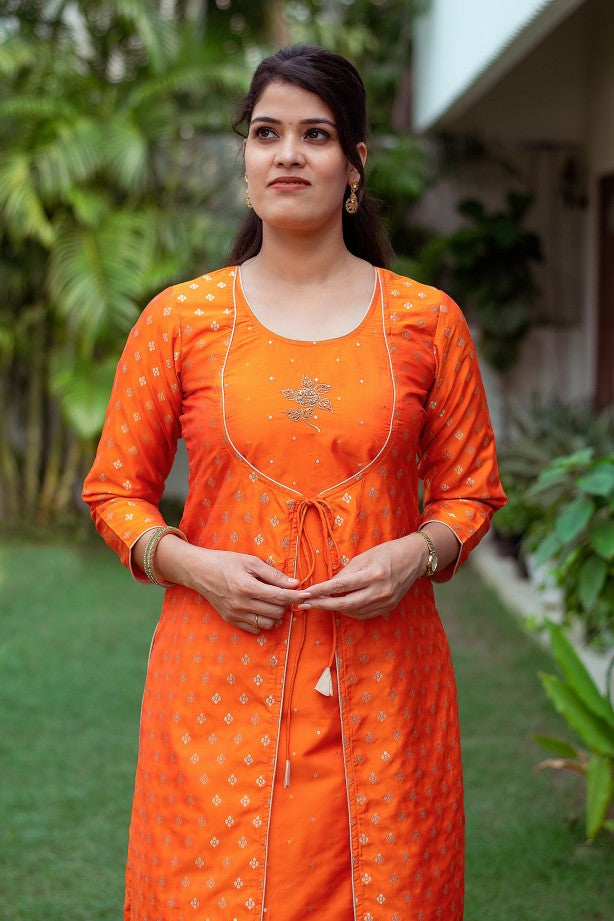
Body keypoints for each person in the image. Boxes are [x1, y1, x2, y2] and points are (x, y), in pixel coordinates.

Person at [83, 44, 506, 921]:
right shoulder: (182, 320)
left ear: (354, 164)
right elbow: (115, 490)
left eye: (315, 135)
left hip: (388, 685)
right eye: (267, 133)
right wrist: (193, 565)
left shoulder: (427, 321)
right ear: (244, 162)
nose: (288, 154)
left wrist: (414, 553)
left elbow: (471, 493)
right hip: (217, 687)